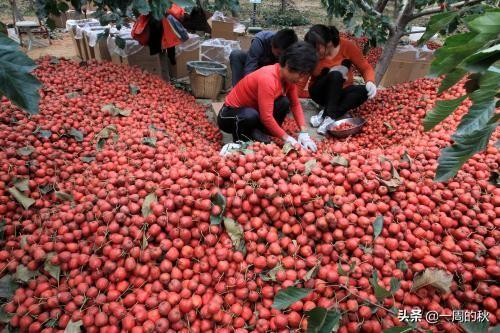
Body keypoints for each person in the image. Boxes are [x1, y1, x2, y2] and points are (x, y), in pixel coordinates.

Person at [218, 42, 318, 152]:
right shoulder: (268, 79)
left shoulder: (289, 80)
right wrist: (287, 138)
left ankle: (262, 133)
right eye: (300, 75)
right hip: (229, 115)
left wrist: (304, 132)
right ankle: (238, 143)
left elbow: (295, 104)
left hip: (256, 114)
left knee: (283, 102)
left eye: (304, 76)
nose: (300, 80)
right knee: (249, 116)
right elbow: (266, 117)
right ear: (289, 66)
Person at [299, 25, 377, 135]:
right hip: (320, 92)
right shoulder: (311, 56)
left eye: (317, 49)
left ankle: (325, 115)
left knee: (363, 91)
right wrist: (290, 100)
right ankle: (331, 115)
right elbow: (300, 83)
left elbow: (365, 67)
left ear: (329, 42)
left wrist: (370, 81)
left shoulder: (347, 46)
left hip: (341, 92)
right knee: (336, 74)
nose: (314, 54)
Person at [229, 29, 298, 86]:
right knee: (236, 55)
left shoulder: (291, 48)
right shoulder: (259, 40)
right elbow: (251, 66)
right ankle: (237, 89)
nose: (280, 56)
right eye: (278, 53)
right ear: (272, 44)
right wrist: (248, 87)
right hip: (258, 65)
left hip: (273, 71)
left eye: (283, 54)